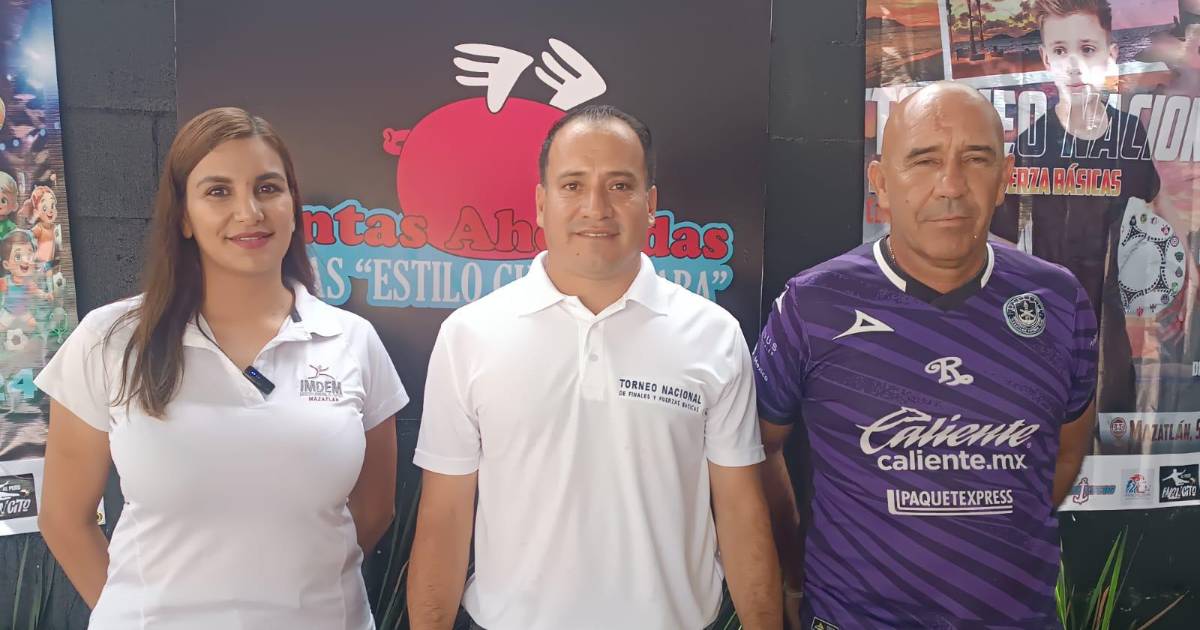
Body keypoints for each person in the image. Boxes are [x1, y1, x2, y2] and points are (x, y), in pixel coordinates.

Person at [407, 104, 781, 630]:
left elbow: (742, 510)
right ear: (541, 204)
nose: (596, 207)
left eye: (620, 186)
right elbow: (443, 518)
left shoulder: (713, 334)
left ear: (651, 205)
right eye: (573, 185)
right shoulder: (469, 335)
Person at [34, 107, 408, 630]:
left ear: (293, 205)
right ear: (183, 217)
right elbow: (64, 518)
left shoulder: (353, 341)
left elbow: (374, 511)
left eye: (268, 188)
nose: (249, 211)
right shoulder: (110, 340)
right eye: (218, 191)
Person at [757, 83, 1098, 628]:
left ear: (1005, 178)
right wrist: (793, 577)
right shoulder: (814, 303)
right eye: (924, 161)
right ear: (880, 184)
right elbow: (760, 449)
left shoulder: (1057, 301)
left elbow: (1064, 454)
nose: (951, 186)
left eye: (976, 160)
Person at [991, 0, 1157, 412]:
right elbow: (1001, 238)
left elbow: (1155, 203)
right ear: (1046, 58)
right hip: (1047, 316)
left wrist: (1180, 270)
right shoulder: (1031, 143)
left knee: (1114, 413)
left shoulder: (1129, 133)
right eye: (1061, 51)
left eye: (1086, 49)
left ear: (1111, 54)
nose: (1073, 65)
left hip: (1112, 314)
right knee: (1046, 414)